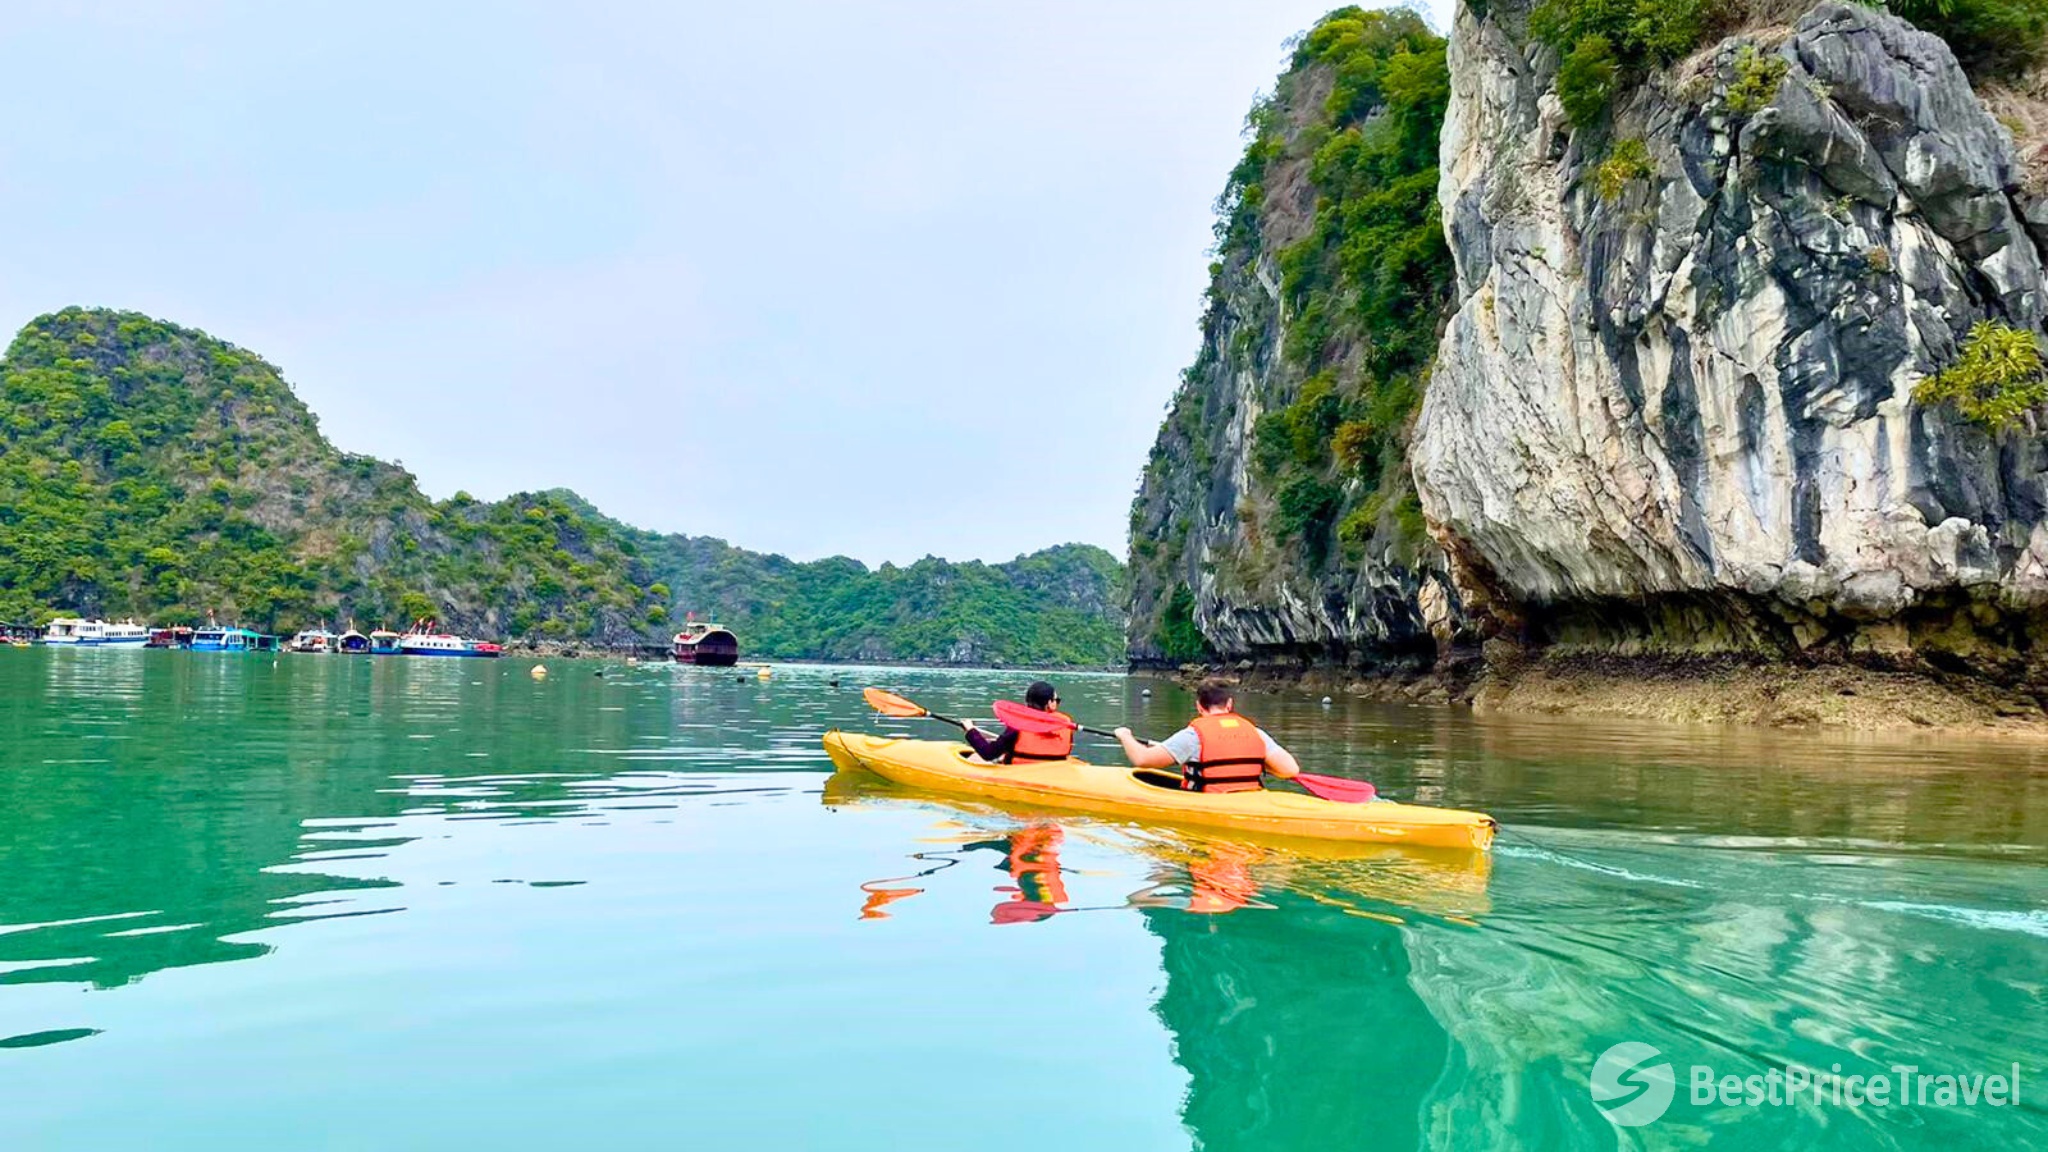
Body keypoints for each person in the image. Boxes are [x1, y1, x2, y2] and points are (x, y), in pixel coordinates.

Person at [1114, 679, 1301, 793]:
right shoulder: (1255, 732)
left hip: (1210, 801)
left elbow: (1142, 759)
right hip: (1252, 798)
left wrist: (1125, 736)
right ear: (1229, 704)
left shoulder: (1192, 737)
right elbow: (1290, 770)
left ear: (1199, 706)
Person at [962, 680, 1073, 764]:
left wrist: (970, 731)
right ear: (1049, 703)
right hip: (1055, 772)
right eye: (1057, 700)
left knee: (974, 758)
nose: (1057, 703)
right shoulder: (1065, 724)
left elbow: (988, 754)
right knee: (1003, 755)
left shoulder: (1018, 725)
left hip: (1023, 772)